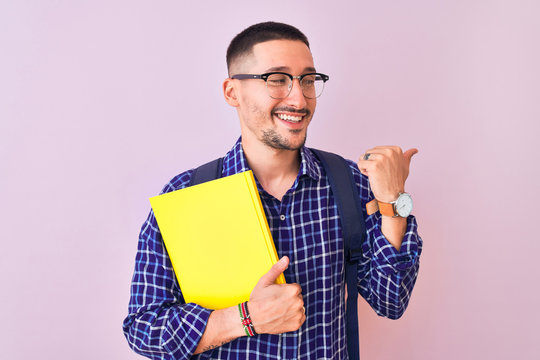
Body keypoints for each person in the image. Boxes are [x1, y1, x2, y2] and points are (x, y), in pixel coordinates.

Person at [123, 21, 422, 360]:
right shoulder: (187, 195)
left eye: (308, 80)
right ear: (232, 92)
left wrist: (392, 201)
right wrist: (244, 319)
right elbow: (143, 329)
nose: (299, 98)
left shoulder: (349, 182)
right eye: (277, 79)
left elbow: (390, 300)